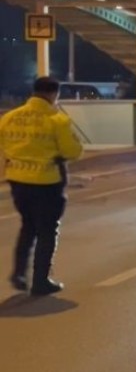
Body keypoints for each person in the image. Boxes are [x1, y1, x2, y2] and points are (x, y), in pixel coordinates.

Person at [1, 77, 84, 295]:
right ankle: (40, 280)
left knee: (27, 225)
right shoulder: (57, 120)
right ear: (53, 94)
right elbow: (72, 151)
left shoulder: (9, 117)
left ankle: (19, 272)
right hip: (47, 182)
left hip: (18, 180)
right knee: (47, 230)